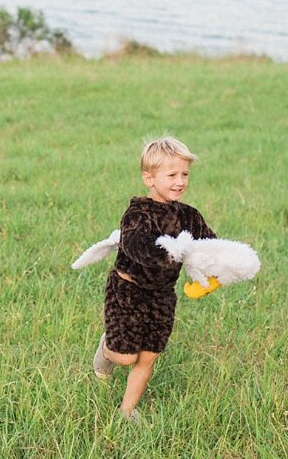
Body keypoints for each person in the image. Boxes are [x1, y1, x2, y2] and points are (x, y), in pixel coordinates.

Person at [92, 136, 216, 420]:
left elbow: (209, 243)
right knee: (126, 357)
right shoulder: (138, 213)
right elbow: (137, 246)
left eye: (185, 174)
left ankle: (127, 411)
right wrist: (171, 253)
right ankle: (106, 348)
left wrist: (220, 265)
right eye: (172, 175)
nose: (180, 181)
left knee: (148, 355)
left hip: (161, 296)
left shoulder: (189, 216)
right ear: (149, 178)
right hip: (128, 290)